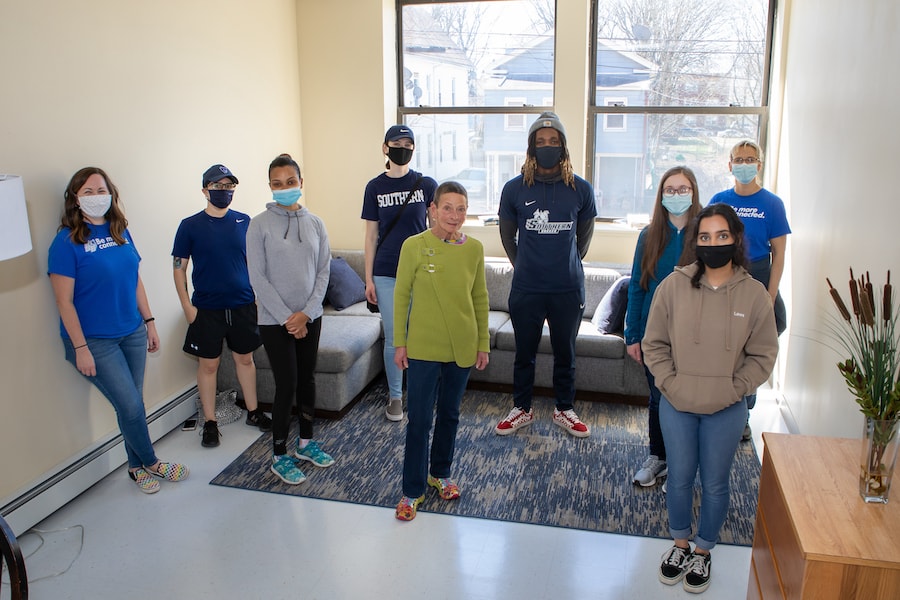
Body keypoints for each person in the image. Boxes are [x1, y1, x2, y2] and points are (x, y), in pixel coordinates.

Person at [642, 203, 778, 594]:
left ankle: (703, 550)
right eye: (705, 236)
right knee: (679, 478)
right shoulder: (673, 286)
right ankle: (680, 544)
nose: (713, 243)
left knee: (716, 483)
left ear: (736, 239)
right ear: (695, 241)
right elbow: (654, 344)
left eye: (722, 236)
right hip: (677, 404)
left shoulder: (754, 294)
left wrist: (735, 389)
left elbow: (763, 354)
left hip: (726, 408)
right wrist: (671, 384)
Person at [49, 167, 189, 494]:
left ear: (111, 195)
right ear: (75, 199)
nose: (96, 197)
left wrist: (149, 322)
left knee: (132, 405)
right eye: (88, 192)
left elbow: (134, 279)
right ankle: (152, 462)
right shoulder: (66, 242)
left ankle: (135, 467)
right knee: (130, 405)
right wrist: (80, 348)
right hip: (94, 341)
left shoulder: (120, 231)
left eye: (101, 190)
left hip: (132, 331)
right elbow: (63, 302)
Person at [494, 111, 597, 438]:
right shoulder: (515, 189)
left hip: (567, 288)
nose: (547, 146)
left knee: (566, 354)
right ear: (531, 147)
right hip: (527, 288)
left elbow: (583, 240)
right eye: (541, 141)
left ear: (563, 146)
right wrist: (525, 264)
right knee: (524, 354)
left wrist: (562, 263)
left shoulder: (580, 189)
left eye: (553, 141)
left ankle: (564, 408)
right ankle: (521, 408)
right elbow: (507, 237)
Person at [393, 181, 490, 521]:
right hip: (423, 347)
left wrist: (482, 343)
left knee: (450, 414)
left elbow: (480, 298)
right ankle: (412, 490)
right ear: (433, 210)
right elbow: (401, 296)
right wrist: (400, 342)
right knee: (419, 420)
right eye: (447, 207)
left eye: (461, 209)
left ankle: (440, 473)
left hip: (462, 346)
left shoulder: (474, 249)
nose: (454, 215)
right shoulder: (414, 246)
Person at [246, 154, 334, 485]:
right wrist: (288, 319)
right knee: (287, 384)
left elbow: (323, 270)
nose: (285, 188)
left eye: (291, 182)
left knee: (307, 380)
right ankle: (279, 454)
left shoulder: (316, 223)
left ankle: (306, 443)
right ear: (270, 186)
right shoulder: (258, 225)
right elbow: (257, 278)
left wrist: (306, 313)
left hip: (311, 317)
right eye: (277, 183)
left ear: (301, 182)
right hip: (274, 320)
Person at [172, 164, 272, 448]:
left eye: (229, 186)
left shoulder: (244, 221)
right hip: (207, 309)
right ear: (205, 190)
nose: (224, 191)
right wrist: (187, 307)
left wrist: (257, 297)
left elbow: (255, 262)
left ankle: (253, 412)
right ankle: (210, 422)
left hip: (242, 305)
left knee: (245, 359)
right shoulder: (190, 226)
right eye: (218, 186)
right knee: (209, 365)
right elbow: (179, 268)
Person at [626, 167, 702, 487]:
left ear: (694, 193)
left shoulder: (705, 236)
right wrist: (633, 335)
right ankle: (657, 457)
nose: (676, 195)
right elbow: (637, 286)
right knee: (658, 399)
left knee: (686, 400)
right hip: (653, 333)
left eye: (683, 189)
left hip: (692, 336)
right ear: (661, 195)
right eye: (670, 190)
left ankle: (682, 464)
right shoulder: (649, 235)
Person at [709, 140, 790, 441]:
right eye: (739, 159)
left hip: (758, 275)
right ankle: (723, 407)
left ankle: (744, 412)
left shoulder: (772, 204)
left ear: (759, 164)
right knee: (728, 346)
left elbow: (779, 253)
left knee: (754, 348)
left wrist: (770, 294)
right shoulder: (719, 200)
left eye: (750, 159)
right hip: (727, 276)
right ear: (730, 165)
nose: (744, 164)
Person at [361, 125, 438, 422]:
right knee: (394, 337)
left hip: (421, 272)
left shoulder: (426, 184)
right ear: (385, 148)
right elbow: (371, 236)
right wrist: (368, 279)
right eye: (397, 143)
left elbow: (436, 229)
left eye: (408, 144)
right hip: (386, 272)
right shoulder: (374, 187)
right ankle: (395, 397)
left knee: (420, 335)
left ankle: (419, 392)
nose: (403, 148)